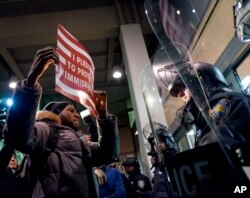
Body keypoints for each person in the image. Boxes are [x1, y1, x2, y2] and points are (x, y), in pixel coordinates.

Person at [4, 46, 119, 198]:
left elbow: (108, 154)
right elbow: (17, 137)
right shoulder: (45, 129)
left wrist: (103, 117)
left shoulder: (80, 140)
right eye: (70, 110)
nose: (76, 114)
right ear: (56, 114)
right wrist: (30, 82)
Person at [168, 62, 250, 147]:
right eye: (178, 93)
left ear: (201, 81)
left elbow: (223, 147)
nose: (180, 95)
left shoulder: (228, 101)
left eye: (183, 87)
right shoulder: (202, 116)